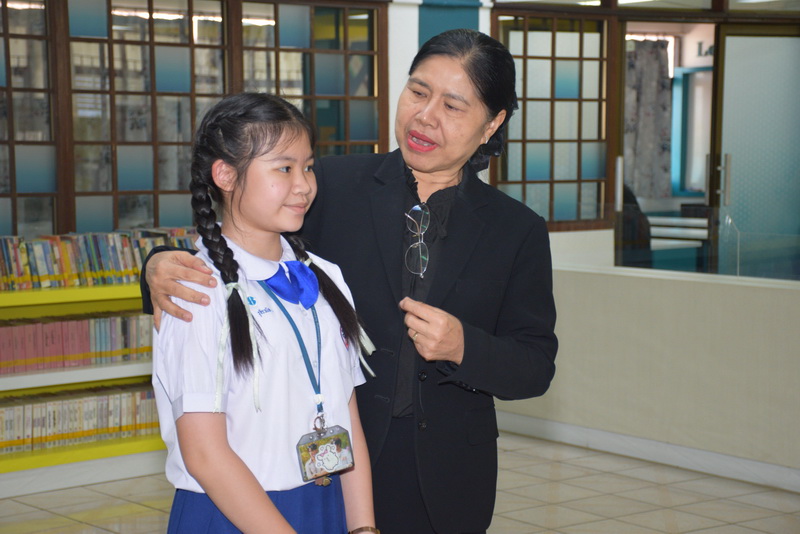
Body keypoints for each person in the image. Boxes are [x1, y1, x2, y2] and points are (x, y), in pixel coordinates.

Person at [143, 29, 557, 534]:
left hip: (446, 476)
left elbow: (535, 366)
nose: (425, 116)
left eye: (452, 106)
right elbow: (239, 237)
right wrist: (157, 266)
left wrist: (464, 347)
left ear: (492, 123)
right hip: (334, 468)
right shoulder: (328, 184)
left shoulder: (516, 230)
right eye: (418, 91)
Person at [151, 92, 377, 534]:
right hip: (233, 512)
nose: (304, 185)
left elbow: (347, 413)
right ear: (226, 175)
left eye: (308, 167)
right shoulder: (196, 290)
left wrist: (363, 526)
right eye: (283, 168)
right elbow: (205, 455)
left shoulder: (326, 277)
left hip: (325, 498)